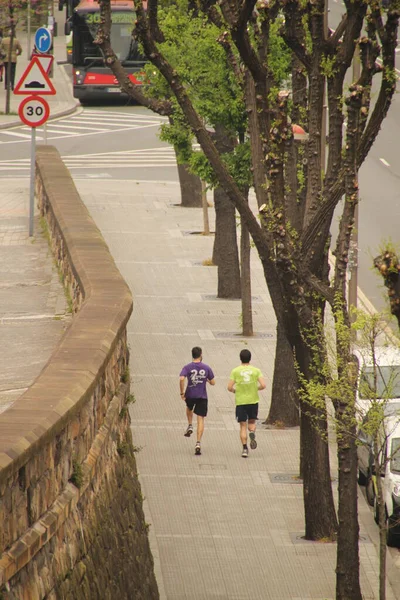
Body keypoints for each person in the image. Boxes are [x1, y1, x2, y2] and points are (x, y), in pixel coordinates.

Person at [228, 349, 266, 458]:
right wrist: (256, 388)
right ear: (250, 358)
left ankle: (245, 449)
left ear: (240, 358)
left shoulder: (235, 371)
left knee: (242, 426)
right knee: (251, 422)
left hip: (241, 402)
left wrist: (235, 391)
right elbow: (263, 385)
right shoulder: (256, 370)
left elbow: (229, 387)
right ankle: (252, 432)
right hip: (253, 400)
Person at [179, 347, 215, 455]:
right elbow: (213, 382)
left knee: (189, 408)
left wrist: (182, 392)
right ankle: (198, 442)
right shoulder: (206, 368)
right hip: (202, 396)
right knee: (200, 419)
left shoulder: (187, 367)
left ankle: (190, 425)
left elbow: (181, 378)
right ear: (201, 355)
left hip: (190, 394)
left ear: (192, 355)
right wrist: (207, 380)